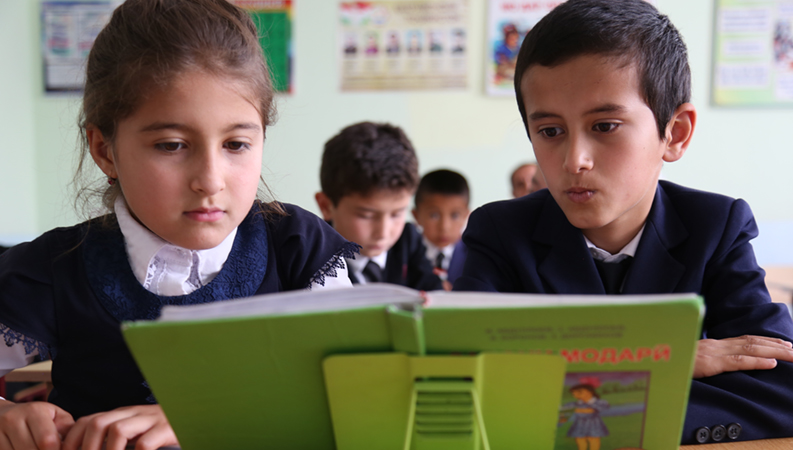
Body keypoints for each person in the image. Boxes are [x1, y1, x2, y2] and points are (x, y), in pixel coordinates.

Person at [0, 1, 358, 449]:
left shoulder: (298, 250)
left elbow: (359, 395)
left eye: (236, 143)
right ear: (105, 149)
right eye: (171, 145)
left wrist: (199, 419)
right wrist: (8, 415)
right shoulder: (54, 269)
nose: (209, 180)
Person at [454, 0, 793, 444]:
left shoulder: (715, 227)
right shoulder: (500, 233)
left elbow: (787, 392)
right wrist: (666, 363)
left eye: (605, 126)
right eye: (550, 131)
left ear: (674, 133)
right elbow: (465, 383)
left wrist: (570, 389)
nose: (574, 161)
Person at [315, 122, 442, 291]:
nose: (383, 233)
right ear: (326, 206)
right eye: (366, 216)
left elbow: (433, 291)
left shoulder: (409, 240)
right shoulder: (313, 254)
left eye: (397, 214)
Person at [412, 169, 470, 290]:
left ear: (466, 215)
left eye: (455, 215)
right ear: (416, 215)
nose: (444, 226)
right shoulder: (406, 255)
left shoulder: (474, 255)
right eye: (434, 215)